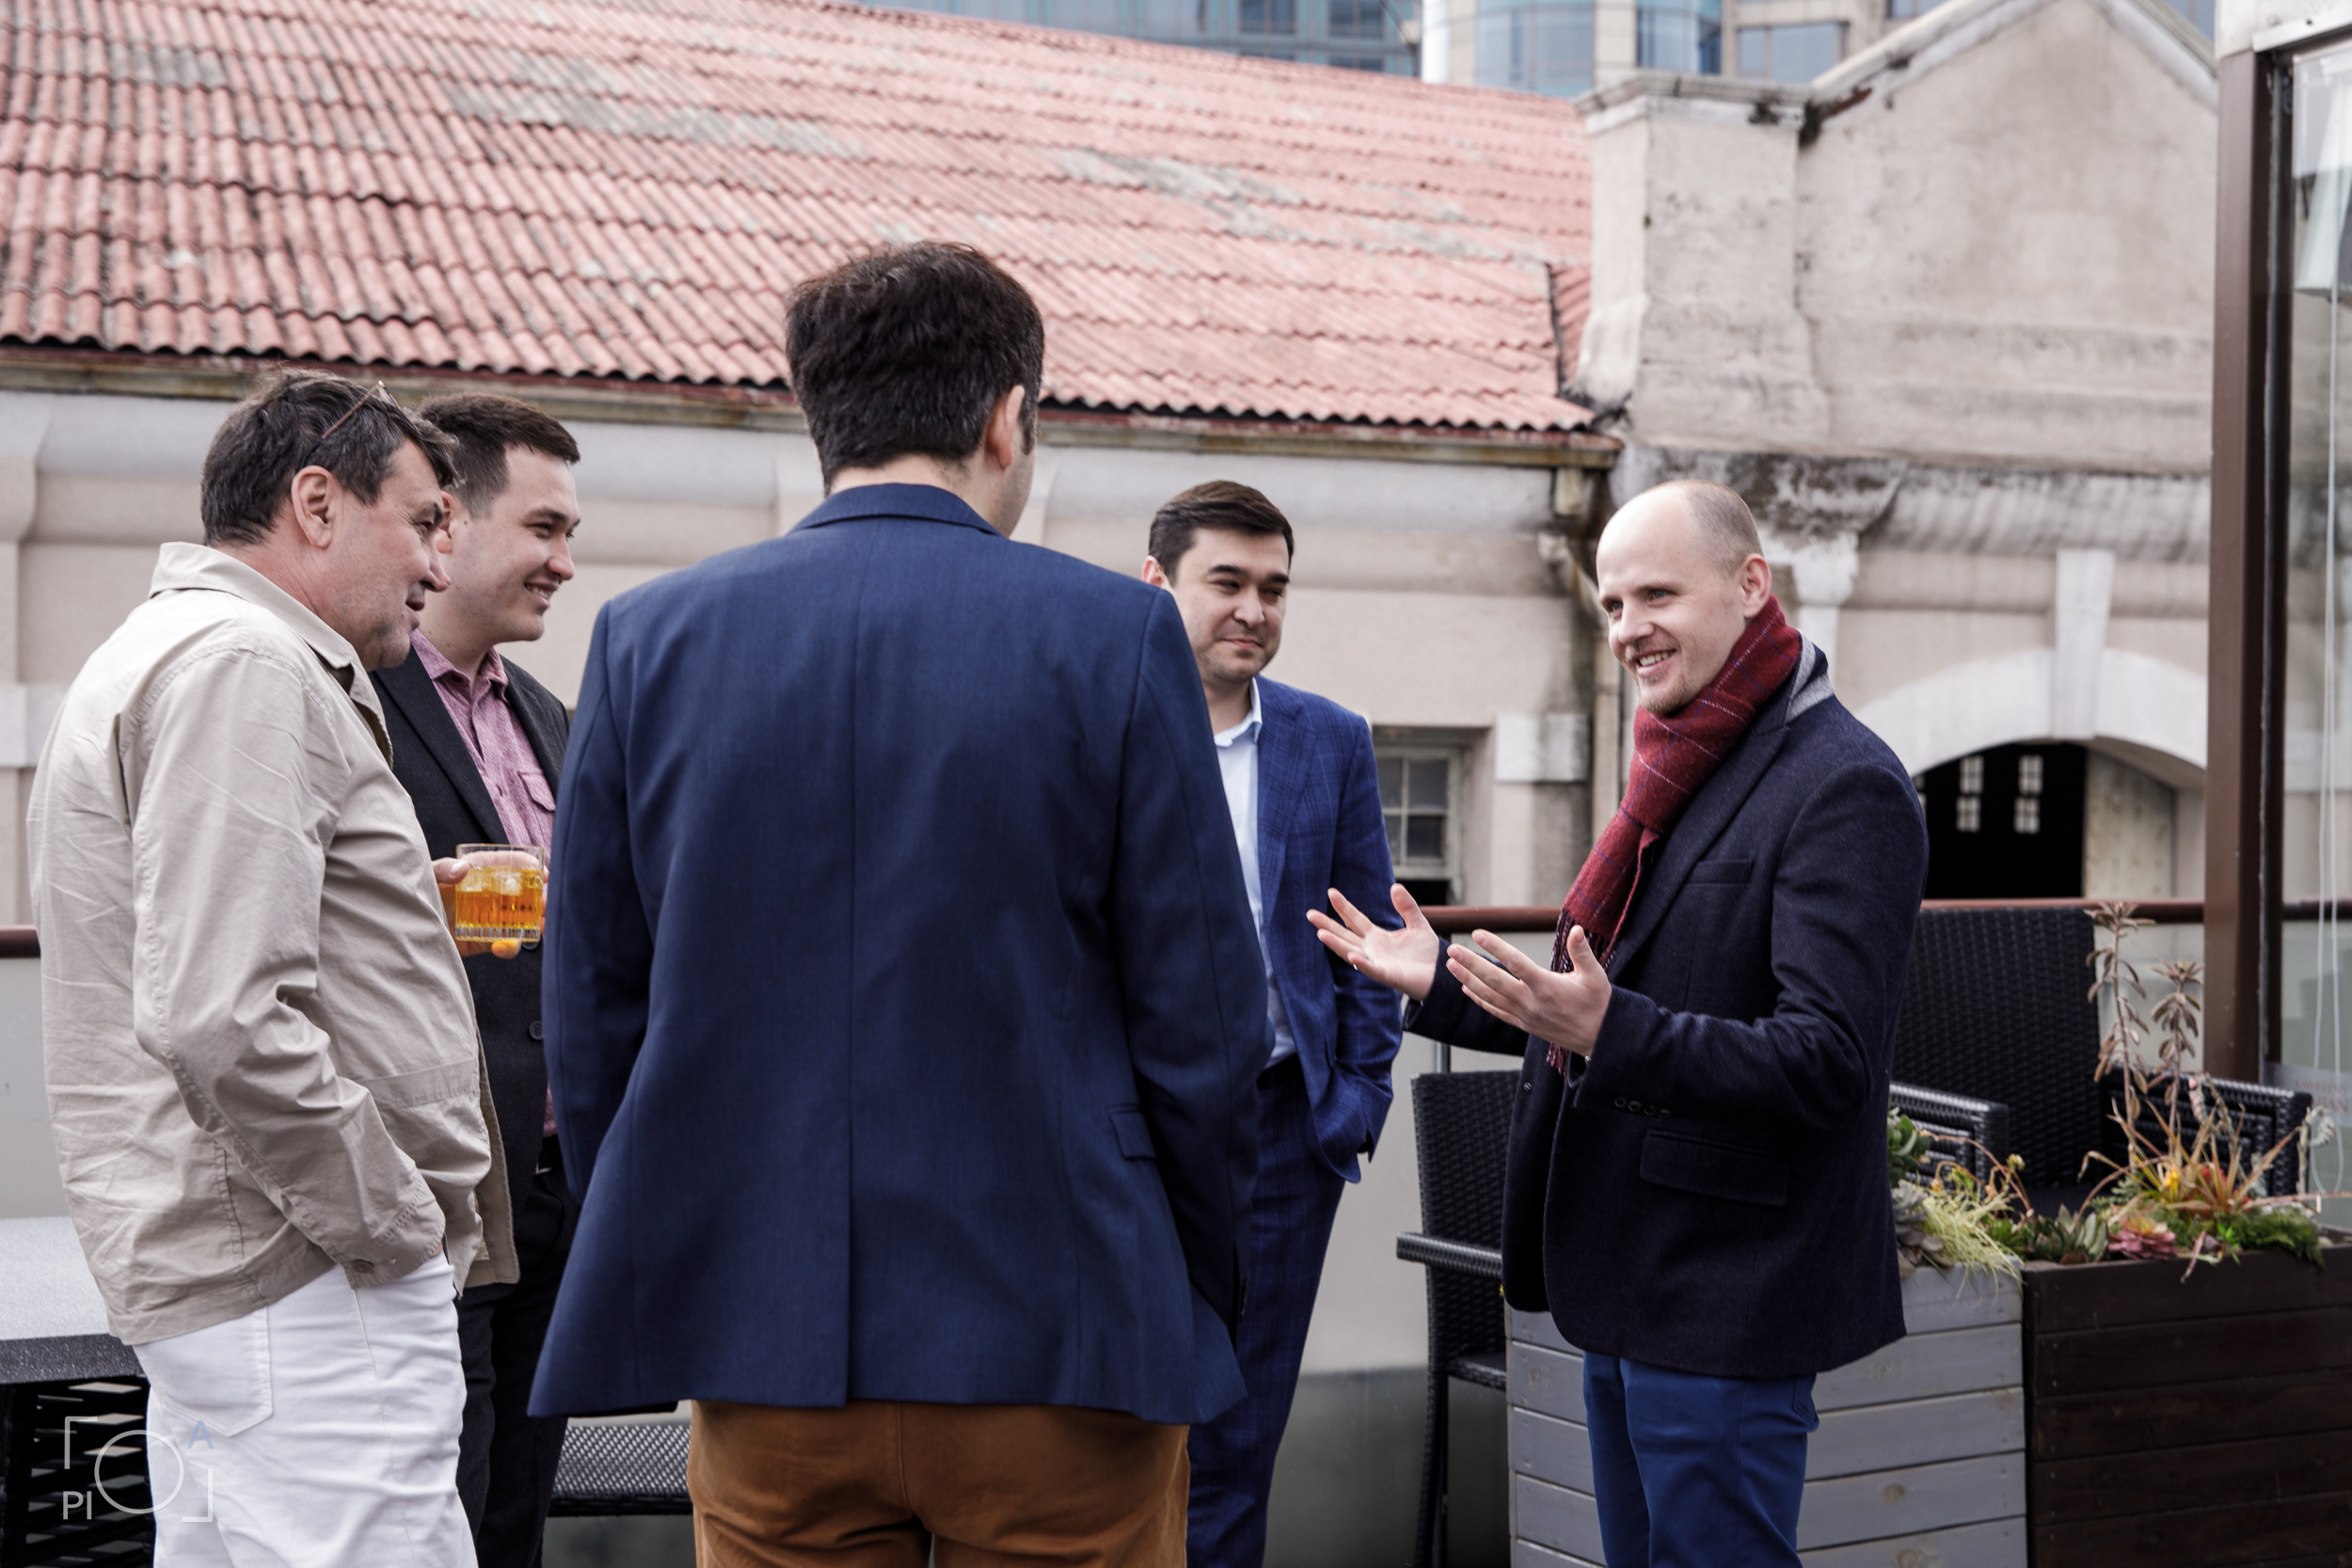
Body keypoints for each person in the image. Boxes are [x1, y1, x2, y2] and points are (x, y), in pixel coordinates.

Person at [532, 241, 1268, 1568]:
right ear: (1007, 415)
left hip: (762, 1335)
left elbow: (591, 1006)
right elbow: (1203, 1016)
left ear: (821, 417)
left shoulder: (647, 636)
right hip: (1069, 1327)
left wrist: (683, 1248)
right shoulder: (1115, 632)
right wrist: (1197, 1285)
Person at [1312, 481, 1927, 1567]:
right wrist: (1442, 984)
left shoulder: (1845, 786)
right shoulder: (1688, 758)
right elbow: (1595, 1000)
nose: (1628, 627)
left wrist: (1610, 1029)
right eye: (1609, 603)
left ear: (1750, 585)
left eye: (1655, 592)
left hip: (1727, 1293)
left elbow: (1825, 1062)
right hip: (1632, 1278)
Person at [29, 370, 517, 1565]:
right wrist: (393, 1220)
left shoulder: (180, 650)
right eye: (422, 522)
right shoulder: (246, 661)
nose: (439, 569)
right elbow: (220, 1018)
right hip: (312, 1285)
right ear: (316, 501)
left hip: (260, 1281)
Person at [1139, 482, 1403, 1568]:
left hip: (1280, 1137)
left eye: (1273, 588)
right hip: (1129, 1140)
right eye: (1228, 582)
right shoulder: (1097, 727)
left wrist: (1352, 1100)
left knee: (1240, 1440)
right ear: (1157, 586)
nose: (1253, 608)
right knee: (1119, 1430)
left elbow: (1370, 938)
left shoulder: (1326, 740)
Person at [373, 391, 583, 1568]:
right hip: (438, 1191)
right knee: (430, 1517)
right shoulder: (356, 702)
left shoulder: (553, 713)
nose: (564, 561)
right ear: (446, 526)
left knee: (513, 1519)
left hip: (556, 1190)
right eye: (545, 528)